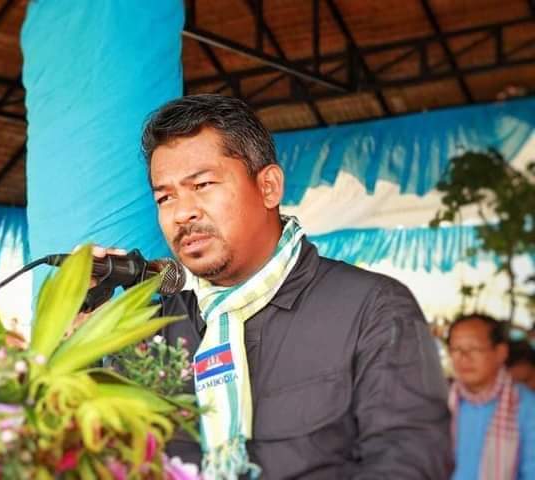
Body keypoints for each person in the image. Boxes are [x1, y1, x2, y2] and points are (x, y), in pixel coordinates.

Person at [135, 94, 451, 479]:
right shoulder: (152, 328)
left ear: (268, 187)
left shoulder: (373, 308)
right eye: (165, 197)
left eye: (202, 184)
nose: (182, 212)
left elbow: (408, 465)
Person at [447, 313, 535, 480]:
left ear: (500, 353)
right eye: (456, 349)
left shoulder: (526, 407)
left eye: (474, 348)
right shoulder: (443, 400)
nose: (463, 357)